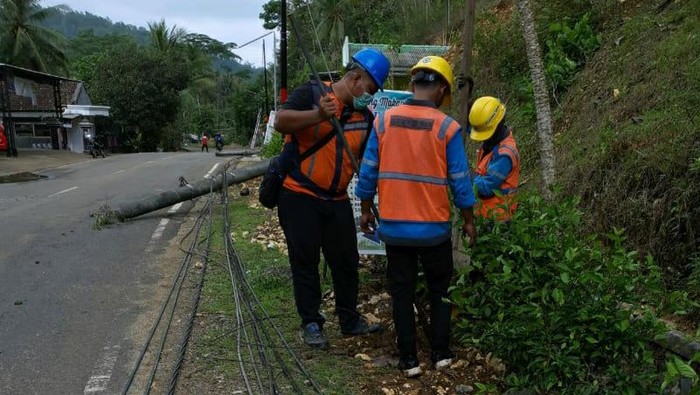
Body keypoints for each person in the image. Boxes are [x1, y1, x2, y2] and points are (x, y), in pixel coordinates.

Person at [355, 56, 478, 378]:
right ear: (440, 90)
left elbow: (368, 172)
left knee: (401, 292)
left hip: (395, 229)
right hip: (434, 230)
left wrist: (366, 210)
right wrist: (468, 219)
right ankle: (441, 353)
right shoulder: (447, 127)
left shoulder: (383, 122)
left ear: (412, 85)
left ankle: (408, 359)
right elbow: (460, 180)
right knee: (439, 289)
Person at [274, 48, 391, 349]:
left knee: (346, 261)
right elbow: (281, 122)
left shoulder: (364, 118)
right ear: (355, 78)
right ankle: (311, 322)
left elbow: (366, 165)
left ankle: (349, 319)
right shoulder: (313, 93)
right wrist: (318, 115)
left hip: (337, 200)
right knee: (305, 262)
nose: (371, 97)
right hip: (299, 196)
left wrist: (367, 207)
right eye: (371, 89)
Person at [468, 96, 520, 222]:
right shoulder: (492, 141)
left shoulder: (504, 155)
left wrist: (466, 173)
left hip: (498, 220)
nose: (483, 138)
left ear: (498, 124)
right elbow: (472, 128)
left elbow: (486, 188)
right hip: (484, 214)